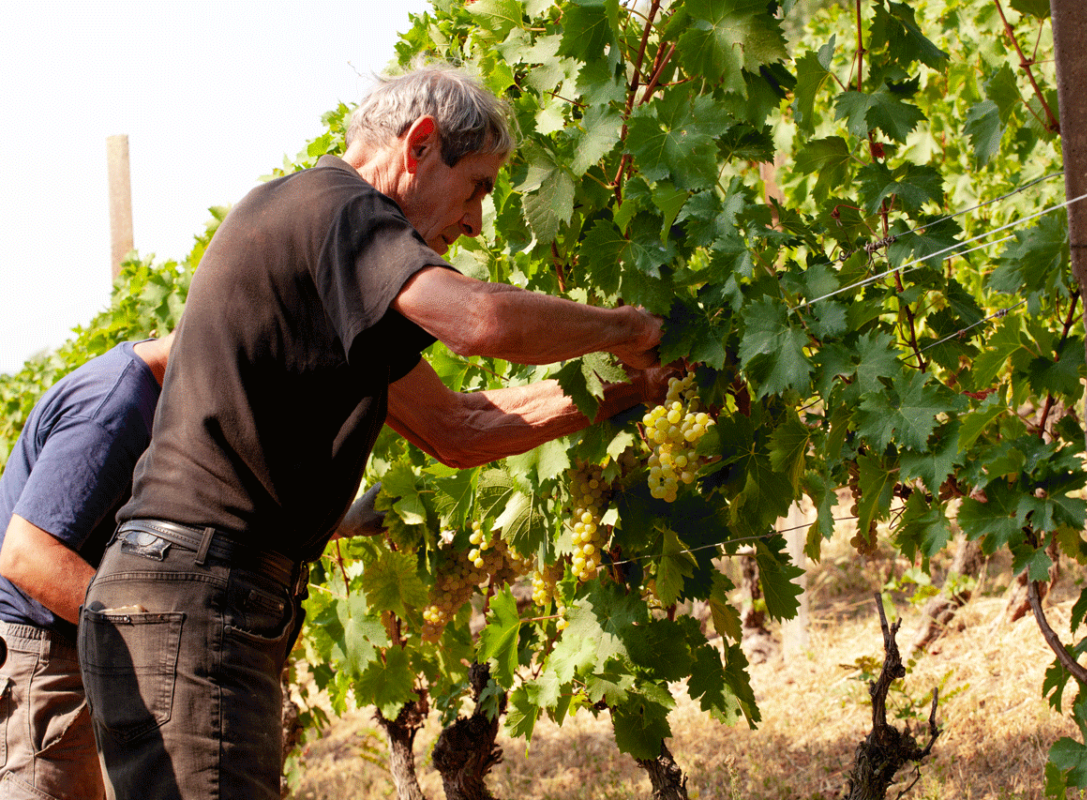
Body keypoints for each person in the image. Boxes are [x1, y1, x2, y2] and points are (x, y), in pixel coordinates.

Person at [78, 66, 665, 800]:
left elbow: (459, 427)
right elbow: (479, 320)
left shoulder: (322, 254)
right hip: (198, 597)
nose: (478, 221)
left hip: (182, 596)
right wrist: (627, 329)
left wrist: (628, 392)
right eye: (479, 186)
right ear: (420, 144)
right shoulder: (339, 208)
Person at [0, 334, 173, 800]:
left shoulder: (147, 396)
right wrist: (153, 635)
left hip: (53, 674)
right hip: (35, 681)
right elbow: (28, 557)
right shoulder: (116, 406)